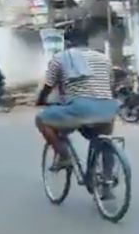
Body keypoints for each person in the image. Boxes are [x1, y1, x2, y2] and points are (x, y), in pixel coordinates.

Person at [35, 22, 119, 172]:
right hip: (108, 109)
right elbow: (110, 84)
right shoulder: (104, 58)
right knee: (103, 141)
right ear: (86, 42)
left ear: (66, 43)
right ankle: (107, 180)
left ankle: (64, 156)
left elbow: (49, 85)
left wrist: (41, 100)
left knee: (42, 119)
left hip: (81, 108)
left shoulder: (61, 58)